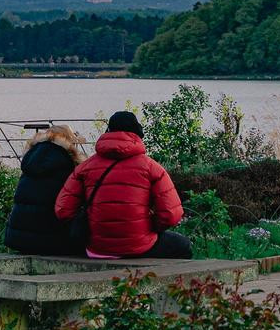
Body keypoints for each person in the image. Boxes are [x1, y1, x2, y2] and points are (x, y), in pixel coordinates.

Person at [54, 111, 191, 259]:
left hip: (97, 248)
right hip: (139, 247)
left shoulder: (84, 167)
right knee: (183, 245)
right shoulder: (152, 168)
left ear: (108, 131)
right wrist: (151, 227)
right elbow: (171, 214)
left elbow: (63, 210)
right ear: (138, 133)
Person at [4, 125, 87, 255]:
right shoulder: (67, 165)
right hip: (50, 240)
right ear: (68, 142)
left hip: (18, 239)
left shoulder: (30, 162)